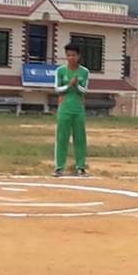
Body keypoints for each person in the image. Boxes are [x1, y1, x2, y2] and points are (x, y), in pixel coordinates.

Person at [53, 41, 90, 176]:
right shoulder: (60, 71)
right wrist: (69, 85)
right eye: (68, 55)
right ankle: (59, 167)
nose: (71, 58)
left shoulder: (84, 72)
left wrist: (77, 86)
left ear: (78, 56)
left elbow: (84, 90)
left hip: (78, 109)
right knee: (62, 138)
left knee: (80, 138)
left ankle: (80, 167)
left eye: (73, 55)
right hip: (64, 108)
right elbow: (57, 89)